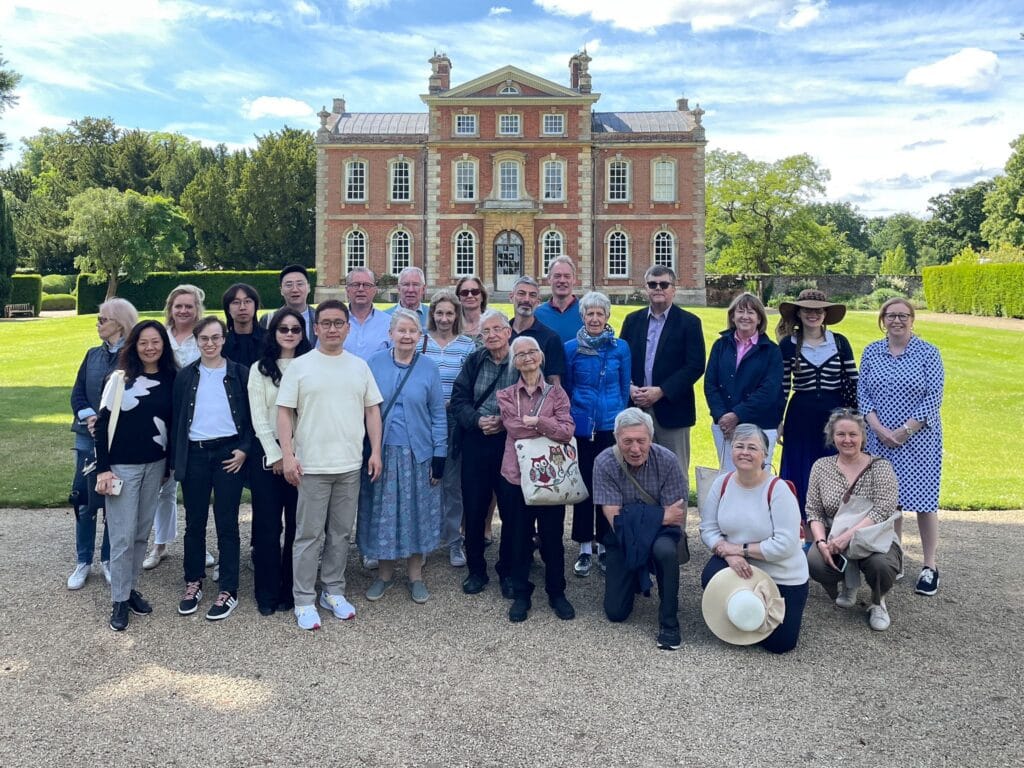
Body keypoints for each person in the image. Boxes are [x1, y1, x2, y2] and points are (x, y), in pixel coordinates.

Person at [276, 299, 384, 630]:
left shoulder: (359, 366)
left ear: (348, 328)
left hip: (349, 465)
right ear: (316, 327)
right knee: (308, 536)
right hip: (312, 467)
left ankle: (333, 590)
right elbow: (283, 412)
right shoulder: (301, 367)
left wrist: (375, 451)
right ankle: (304, 598)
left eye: (339, 323)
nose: (333, 328)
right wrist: (288, 454)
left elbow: (372, 411)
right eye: (326, 323)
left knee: (339, 534)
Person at [358, 309, 447, 604]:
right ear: (391, 334)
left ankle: (415, 575)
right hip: (382, 452)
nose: (407, 336)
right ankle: (383, 575)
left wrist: (439, 453)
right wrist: (371, 450)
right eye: (402, 330)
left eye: (413, 331)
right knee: (384, 513)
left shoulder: (429, 368)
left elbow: (437, 414)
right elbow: (366, 407)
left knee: (417, 513)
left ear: (420, 335)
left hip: (418, 453)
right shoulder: (375, 364)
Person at [93, 320, 176, 631]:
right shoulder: (120, 379)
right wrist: (103, 468)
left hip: (156, 466)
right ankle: (118, 599)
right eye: (144, 342)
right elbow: (102, 425)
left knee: (141, 533)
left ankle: (129, 589)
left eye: (156, 342)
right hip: (121, 467)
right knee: (123, 536)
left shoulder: (171, 378)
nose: (150, 347)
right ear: (134, 346)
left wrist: (168, 466)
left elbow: (171, 424)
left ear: (163, 345)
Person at [859, 298, 944, 596]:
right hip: (879, 438)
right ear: (883, 319)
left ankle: (930, 566)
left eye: (902, 315)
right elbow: (863, 395)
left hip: (919, 439)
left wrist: (906, 430)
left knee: (923, 502)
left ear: (912, 318)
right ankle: (895, 558)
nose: (897, 320)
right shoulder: (872, 352)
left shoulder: (928, 353)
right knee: (888, 502)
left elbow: (933, 397)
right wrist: (881, 431)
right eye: (891, 315)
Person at [699, 423, 809, 654]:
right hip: (740, 568)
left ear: (764, 455)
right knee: (710, 574)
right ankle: (742, 612)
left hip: (782, 572)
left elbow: (786, 545)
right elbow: (708, 529)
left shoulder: (779, 491)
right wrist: (727, 553)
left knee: (780, 645)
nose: (745, 452)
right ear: (731, 451)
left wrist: (738, 550)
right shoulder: (722, 483)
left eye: (752, 447)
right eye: (739, 446)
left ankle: (753, 612)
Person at [171, 317, 253, 622]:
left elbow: (252, 417)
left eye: (215, 338)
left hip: (228, 453)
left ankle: (228, 586)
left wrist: (244, 449)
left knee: (227, 521)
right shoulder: (185, 376)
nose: (209, 344)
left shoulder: (239, 374)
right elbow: (177, 419)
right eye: (204, 338)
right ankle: (193, 581)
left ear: (224, 339)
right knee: (194, 521)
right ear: (196, 340)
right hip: (195, 454)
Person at [495, 336, 576, 623]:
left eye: (532, 352)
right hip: (515, 476)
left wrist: (538, 422)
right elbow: (514, 428)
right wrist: (544, 425)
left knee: (553, 537)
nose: (527, 357)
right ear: (514, 362)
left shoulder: (557, 394)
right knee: (518, 537)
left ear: (541, 357)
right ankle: (521, 594)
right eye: (521, 354)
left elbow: (567, 431)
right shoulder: (506, 395)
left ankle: (557, 592)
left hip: (550, 478)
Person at [593, 408, 687, 650]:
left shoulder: (667, 460)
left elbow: (675, 516)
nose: (635, 449)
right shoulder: (604, 462)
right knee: (615, 612)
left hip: (661, 535)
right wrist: (659, 516)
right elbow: (616, 522)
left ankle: (669, 622)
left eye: (641, 441)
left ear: (651, 438)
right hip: (622, 538)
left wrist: (639, 518)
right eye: (628, 441)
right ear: (616, 438)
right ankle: (634, 574)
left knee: (666, 551)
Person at [806, 409, 902, 631]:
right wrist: (821, 543)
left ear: (862, 437)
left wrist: (847, 537)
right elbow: (814, 511)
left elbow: (883, 510)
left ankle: (878, 601)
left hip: (873, 533)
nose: (847, 440)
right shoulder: (821, 467)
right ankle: (849, 585)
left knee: (881, 566)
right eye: (841, 434)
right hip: (833, 532)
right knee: (815, 562)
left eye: (853, 434)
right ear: (832, 436)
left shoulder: (880, 467)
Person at [67, 298, 138, 590]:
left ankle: (109, 559)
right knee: (84, 502)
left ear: (119, 323)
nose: (98, 324)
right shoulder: (91, 355)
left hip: (116, 441)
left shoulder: (131, 358)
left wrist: (107, 421)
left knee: (113, 503)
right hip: (87, 438)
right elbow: (77, 393)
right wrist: (90, 416)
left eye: (102, 319)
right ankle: (83, 560)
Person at [450, 309, 521, 597]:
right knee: (475, 507)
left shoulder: (520, 360)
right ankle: (476, 570)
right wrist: (478, 420)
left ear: (508, 332)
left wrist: (505, 423)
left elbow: (534, 400)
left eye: (496, 330)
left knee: (510, 508)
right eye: (485, 331)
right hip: (477, 441)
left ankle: (506, 569)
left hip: (510, 443)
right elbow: (459, 398)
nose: (491, 335)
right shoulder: (474, 360)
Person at [247, 307, 312, 615]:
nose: (289, 334)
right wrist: (276, 455)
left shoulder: (312, 366)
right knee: (268, 528)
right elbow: (258, 417)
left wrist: (293, 454)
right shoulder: (259, 369)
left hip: (302, 457)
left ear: (302, 333)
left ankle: (290, 588)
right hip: (267, 456)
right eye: (283, 329)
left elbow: (311, 415)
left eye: (295, 329)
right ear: (273, 333)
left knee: (298, 528)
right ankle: (266, 591)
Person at [563, 290, 631, 578]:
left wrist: (619, 420)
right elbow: (566, 388)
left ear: (607, 317)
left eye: (599, 313)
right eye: (589, 313)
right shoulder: (571, 349)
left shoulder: (620, 348)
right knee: (584, 489)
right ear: (583, 317)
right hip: (583, 429)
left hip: (610, 426)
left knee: (609, 488)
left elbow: (624, 385)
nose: (594, 318)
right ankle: (584, 547)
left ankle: (605, 545)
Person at [619, 265, 705, 488]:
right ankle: (642, 523)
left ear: (673, 289)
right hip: (636, 408)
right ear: (645, 288)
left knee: (674, 476)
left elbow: (695, 365)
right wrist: (628, 387)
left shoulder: (689, 322)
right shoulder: (632, 320)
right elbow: (621, 359)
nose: (658, 289)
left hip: (672, 410)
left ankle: (675, 524)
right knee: (636, 477)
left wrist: (662, 391)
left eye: (664, 284)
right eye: (652, 284)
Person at [776, 289, 859, 517]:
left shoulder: (839, 343)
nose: (813, 314)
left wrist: (856, 419)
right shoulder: (788, 345)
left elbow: (853, 380)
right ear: (799, 313)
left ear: (825, 314)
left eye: (818, 310)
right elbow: (783, 386)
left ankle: (834, 522)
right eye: (807, 310)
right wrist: (779, 420)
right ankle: (800, 522)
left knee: (835, 466)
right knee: (800, 466)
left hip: (834, 415)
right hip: (800, 413)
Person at [144, 284, 206, 571]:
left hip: (195, 419)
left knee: (197, 488)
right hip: (161, 417)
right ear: (170, 307)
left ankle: (198, 545)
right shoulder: (161, 336)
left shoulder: (203, 337)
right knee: (163, 488)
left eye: (189, 306)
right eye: (178, 305)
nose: (183, 310)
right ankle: (160, 544)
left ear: (197, 309)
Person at [421, 290, 476, 567]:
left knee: (452, 483)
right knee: (423, 482)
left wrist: (451, 403)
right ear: (432, 315)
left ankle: (454, 541)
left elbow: (471, 387)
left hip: (454, 421)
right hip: (423, 420)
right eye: (439, 313)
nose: (444, 318)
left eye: (449, 313)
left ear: (457, 316)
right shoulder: (420, 342)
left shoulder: (467, 346)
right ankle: (423, 540)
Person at [704, 291, 784, 472]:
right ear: (732, 316)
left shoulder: (771, 351)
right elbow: (710, 384)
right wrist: (722, 416)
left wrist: (737, 415)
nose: (745, 317)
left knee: (757, 480)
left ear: (759, 319)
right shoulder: (720, 345)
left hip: (760, 424)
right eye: (740, 312)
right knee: (728, 478)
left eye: (751, 312)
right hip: (724, 427)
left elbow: (769, 391)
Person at [508, 275, 565, 385]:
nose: (526, 299)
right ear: (511, 297)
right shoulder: (502, 335)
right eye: (521, 293)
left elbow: (554, 382)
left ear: (538, 302)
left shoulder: (551, 338)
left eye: (532, 295)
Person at [344, 267, 391, 359]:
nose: (361, 289)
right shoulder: (336, 322)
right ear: (347, 290)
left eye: (367, 285)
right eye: (355, 285)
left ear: (374, 290)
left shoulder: (388, 323)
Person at [534, 256, 584, 342]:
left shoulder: (585, 312)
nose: (562, 280)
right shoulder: (536, 315)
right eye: (557, 276)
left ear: (574, 279)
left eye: (567, 276)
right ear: (549, 279)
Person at [260, 265, 316, 340]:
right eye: (289, 285)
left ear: (309, 288)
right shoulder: (268, 320)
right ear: (281, 290)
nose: (295, 289)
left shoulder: (319, 318)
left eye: (299, 284)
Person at [222, 283, 264, 367]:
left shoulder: (269, 339)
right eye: (236, 302)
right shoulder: (222, 343)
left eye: (247, 301)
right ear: (228, 309)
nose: (242, 307)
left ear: (255, 306)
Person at [455, 274, 488, 341]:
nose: (470, 296)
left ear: (482, 297)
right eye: (464, 292)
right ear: (458, 298)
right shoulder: (452, 324)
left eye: (475, 292)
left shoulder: (492, 321)